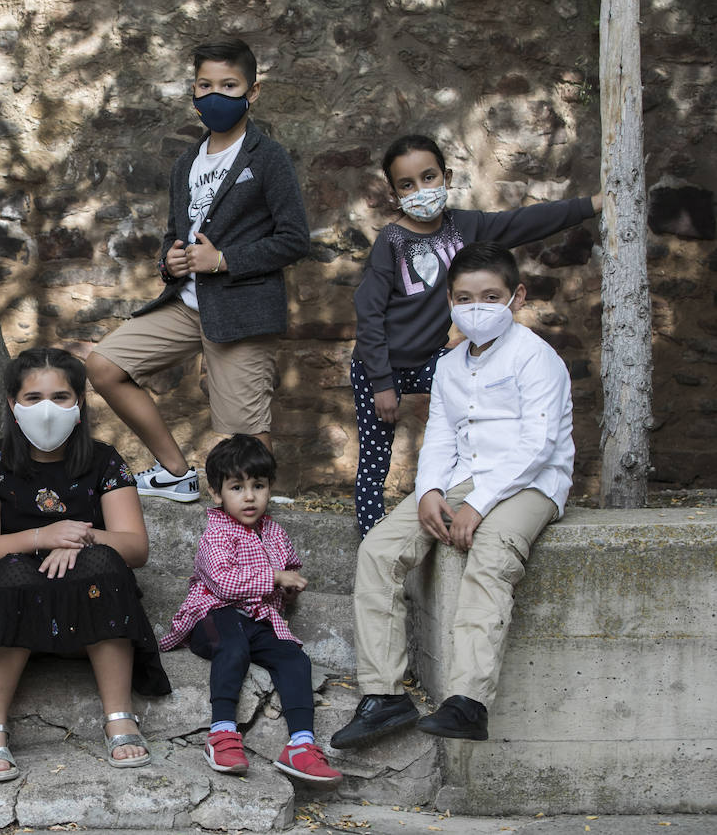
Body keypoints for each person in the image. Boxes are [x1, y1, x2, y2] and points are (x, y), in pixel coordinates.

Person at [332, 242, 574, 748]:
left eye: (491, 296)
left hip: (533, 481)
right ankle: (384, 695)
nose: (477, 307)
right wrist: (429, 491)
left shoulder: (537, 358)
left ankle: (467, 702)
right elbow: (441, 436)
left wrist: (479, 505)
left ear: (517, 296)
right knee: (378, 549)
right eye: (465, 297)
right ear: (449, 300)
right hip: (465, 475)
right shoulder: (450, 365)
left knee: (491, 552)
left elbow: (538, 444)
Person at [87, 37, 310, 503]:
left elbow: (294, 240)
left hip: (241, 311)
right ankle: (175, 472)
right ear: (193, 91)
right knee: (105, 365)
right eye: (205, 85)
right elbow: (175, 233)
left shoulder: (268, 158)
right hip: (186, 305)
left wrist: (224, 260)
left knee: (242, 437)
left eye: (229, 85)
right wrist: (169, 258)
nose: (216, 95)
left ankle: (267, 536)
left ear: (252, 92)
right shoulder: (186, 162)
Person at [351, 134, 600, 536]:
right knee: (376, 455)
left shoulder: (466, 226)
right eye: (407, 185)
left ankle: (483, 486)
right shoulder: (391, 242)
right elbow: (369, 313)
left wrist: (590, 205)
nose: (421, 191)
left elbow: (525, 222)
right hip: (379, 365)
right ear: (395, 194)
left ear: (446, 177)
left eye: (429, 177)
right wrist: (381, 382)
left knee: (468, 410)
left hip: (431, 361)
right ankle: (371, 536)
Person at [0, 348, 172, 782]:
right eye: (33, 397)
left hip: (87, 612)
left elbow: (135, 546)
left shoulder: (104, 460)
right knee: (8, 573)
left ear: (79, 403)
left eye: (60, 396)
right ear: (12, 404)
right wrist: (41, 537)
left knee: (103, 564)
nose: (47, 409)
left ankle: (119, 717)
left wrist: (80, 537)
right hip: (15, 614)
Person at [160, 435, 343, 783]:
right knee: (233, 645)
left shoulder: (275, 532)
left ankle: (301, 744)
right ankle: (222, 733)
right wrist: (274, 576)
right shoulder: (216, 534)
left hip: (259, 618)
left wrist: (288, 587)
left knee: (294, 658)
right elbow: (225, 584)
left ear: (269, 488)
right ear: (216, 494)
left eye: (258, 486)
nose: (249, 496)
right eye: (237, 487)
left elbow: (287, 575)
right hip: (211, 617)